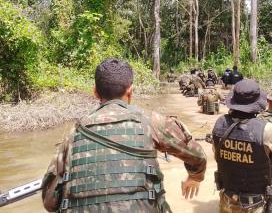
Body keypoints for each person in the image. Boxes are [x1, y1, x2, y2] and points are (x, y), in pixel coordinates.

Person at [42, 58, 207, 212]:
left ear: (95, 92)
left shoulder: (74, 132)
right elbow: (197, 156)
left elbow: (49, 202)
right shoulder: (151, 121)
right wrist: (194, 177)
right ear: (130, 91)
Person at [212, 80, 272, 213]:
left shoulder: (219, 124)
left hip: (226, 200)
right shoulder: (266, 130)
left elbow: (217, 153)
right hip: (254, 205)